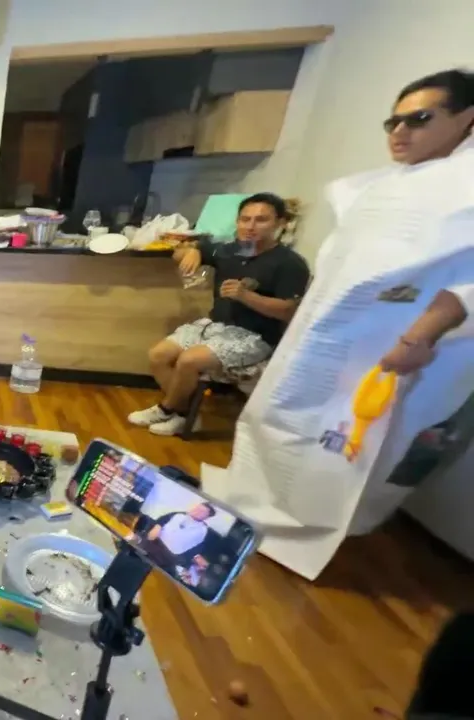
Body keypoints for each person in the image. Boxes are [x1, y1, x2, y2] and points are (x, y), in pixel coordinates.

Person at [206, 69, 474, 581]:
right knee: (287, 420)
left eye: (419, 119)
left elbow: (465, 280)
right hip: (329, 337)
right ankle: (263, 510)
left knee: (350, 440)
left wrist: (419, 335)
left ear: (466, 119)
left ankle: (315, 529)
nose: (401, 131)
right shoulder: (387, 188)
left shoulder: (462, 191)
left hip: (398, 346)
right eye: (393, 121)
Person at [128, 193, 311, 436]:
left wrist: (246, 296)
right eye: (245, 219)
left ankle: (166, 409)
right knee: (158, 355)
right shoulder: (230, 250)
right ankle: (185, 414)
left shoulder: (290, 263)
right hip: (215, 326)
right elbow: (180, 252)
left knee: (189, 361)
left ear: (280, 223)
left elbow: (289, 311)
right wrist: (192, 251)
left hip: (255, 337)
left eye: (261, 220)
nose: (251, 226)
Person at [141, 502, 215, 568]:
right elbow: (161, 520)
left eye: (201, 511)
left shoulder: (203, 531)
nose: (196, 510)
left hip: (170, 555)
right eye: (197, 508)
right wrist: (158, 526)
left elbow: (197, 551)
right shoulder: (178, 514)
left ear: (206, 517)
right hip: (154, 541)